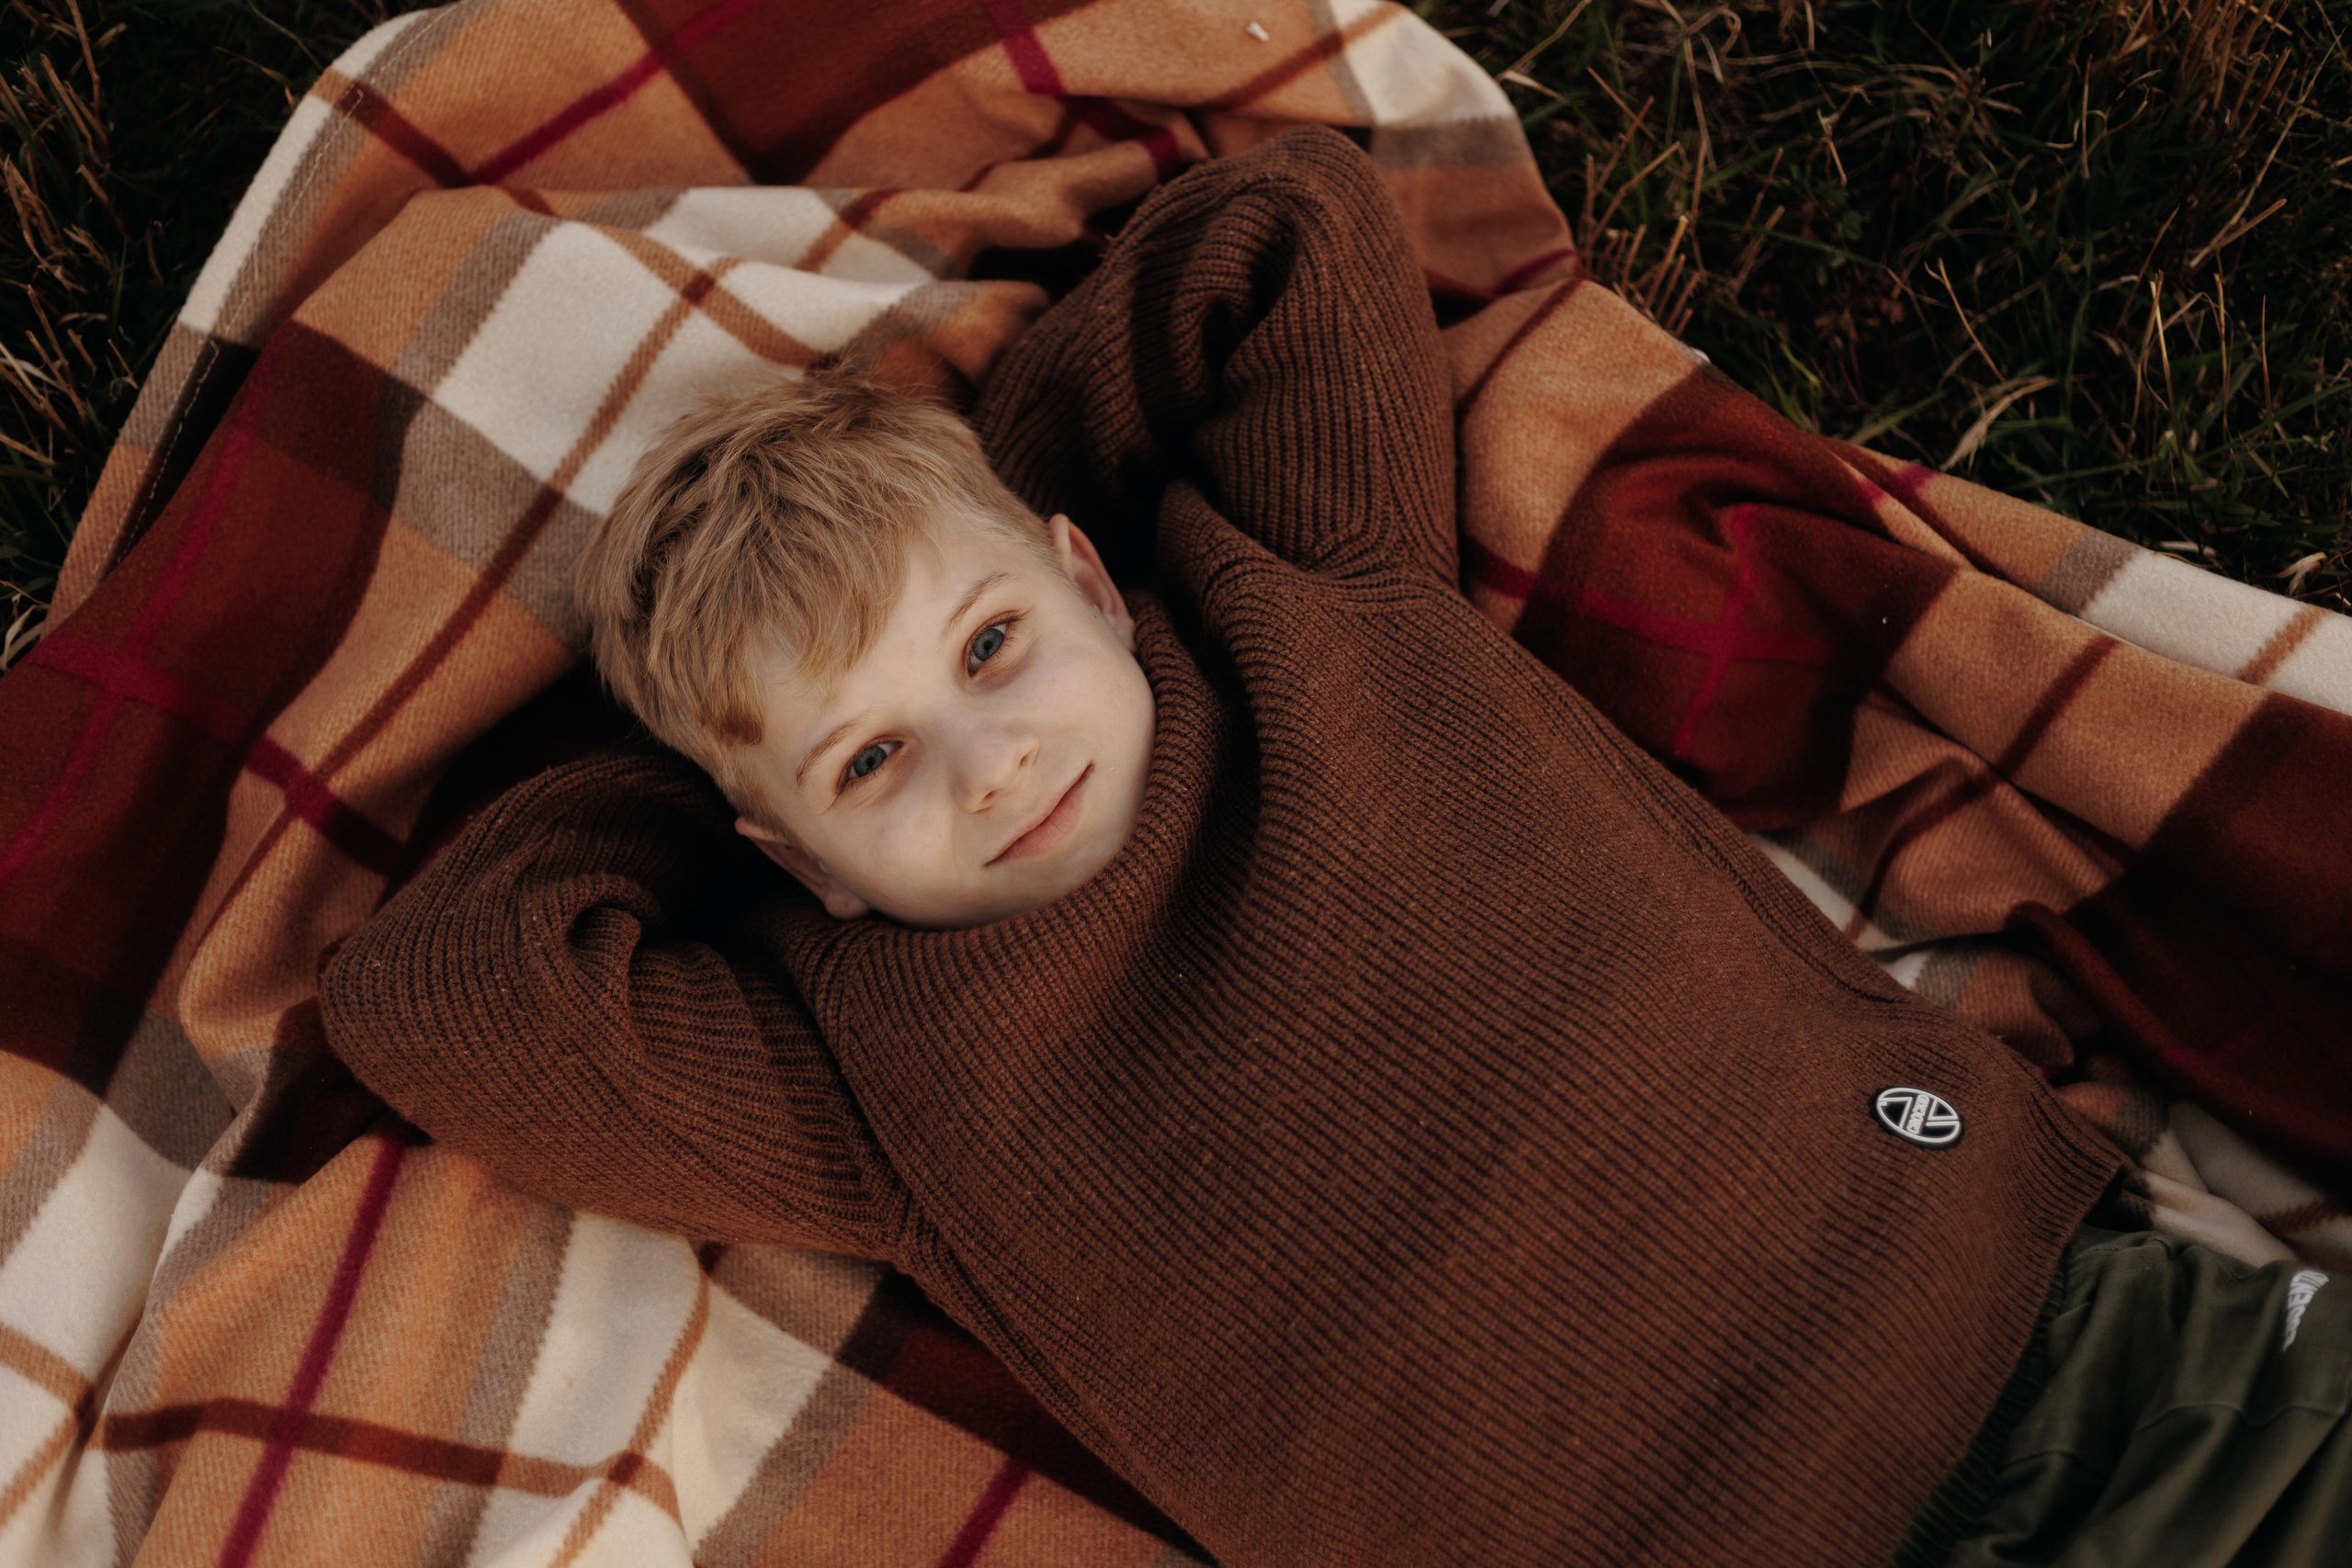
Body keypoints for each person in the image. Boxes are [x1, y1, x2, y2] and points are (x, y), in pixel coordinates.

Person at [322, 129, 2347, 1567]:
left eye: (992, 642)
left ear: (1084, 578)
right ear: (798, 858)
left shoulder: (1299, 595)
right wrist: (719, 813)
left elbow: (1279, 228)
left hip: (2034, 1326)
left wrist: (933, 514)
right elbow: (440, 1000)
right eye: (873, 763)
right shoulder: (856, 1065)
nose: (986, 755)